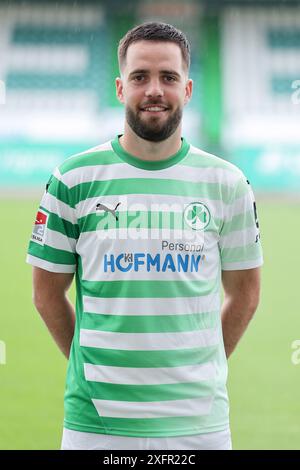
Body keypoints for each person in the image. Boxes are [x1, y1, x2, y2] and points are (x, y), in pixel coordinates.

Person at [26, 21, 263, 450]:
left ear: (188, 90)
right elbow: (45, 294)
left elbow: (245, 293)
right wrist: (90, 367)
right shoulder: (73, 178)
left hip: (200, 425)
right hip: (94, 424)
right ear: (120, 88)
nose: (154, 89)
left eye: (168, 77)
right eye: (140, 77)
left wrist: (202, 368)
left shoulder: (227, 183)